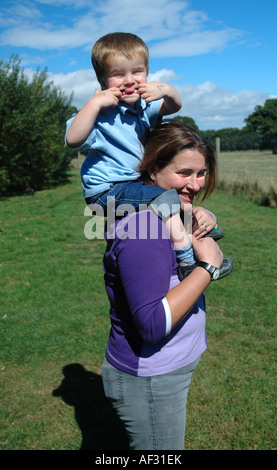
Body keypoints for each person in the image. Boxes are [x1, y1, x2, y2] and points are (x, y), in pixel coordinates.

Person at [101, 121, 232, 450]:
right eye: (184, 172)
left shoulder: (168, 214)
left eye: (200, 173)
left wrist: (204, 218)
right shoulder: (142, 227)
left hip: (169, 366)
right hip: (150, 377)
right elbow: (152, 324)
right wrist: (208, 266)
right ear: (152, 168)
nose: (195, 184)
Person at [65, 32, 232, 278]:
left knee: (170, 202)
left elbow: (174, 106)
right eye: (118, 74)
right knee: (165, 200)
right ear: (102, 81)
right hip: (106, 193)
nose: (129, 80)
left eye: (137, 71)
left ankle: (202, 235)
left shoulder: (144, 108)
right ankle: (188, 262)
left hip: (132, 185)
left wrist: (164, 89)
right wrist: (94, 104)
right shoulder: (99, 116)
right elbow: (73, 139)